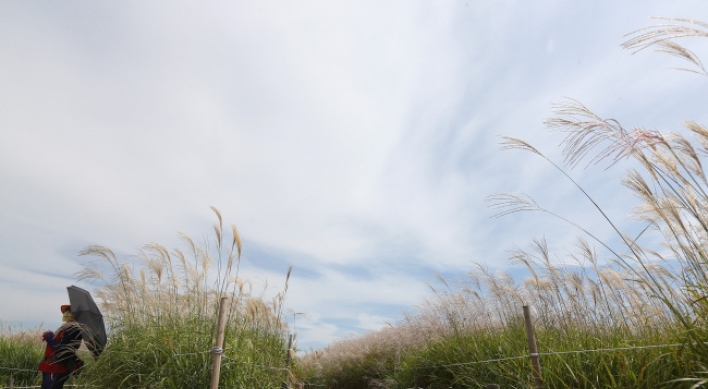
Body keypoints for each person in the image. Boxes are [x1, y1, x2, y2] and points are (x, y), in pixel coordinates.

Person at [38, 305, 84, 389]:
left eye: (69, 311)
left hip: (59, 365)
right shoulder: (67, 327)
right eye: (66, 311)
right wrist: (51, 337)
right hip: (52, 364)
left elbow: (64, 349)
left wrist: (51, 339)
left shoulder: (74, 329)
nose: (66, 313)